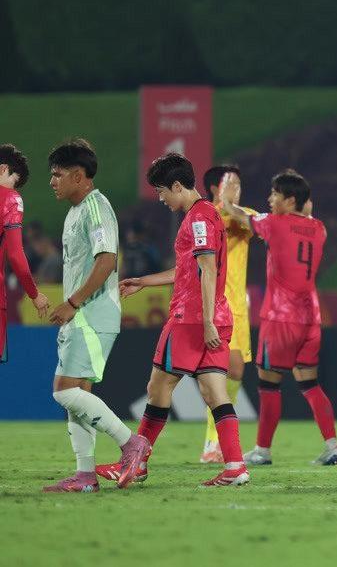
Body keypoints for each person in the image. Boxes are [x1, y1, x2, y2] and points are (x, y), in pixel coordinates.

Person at [95, 153, 249, 487]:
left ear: (178, 186)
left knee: (158, 387)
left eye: (163, 191)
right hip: (214, 317)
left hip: (191, 319)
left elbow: (208, 269)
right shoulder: (205, 215)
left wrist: (206, 321)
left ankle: (136, 462)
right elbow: (189, 269)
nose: (162, 199)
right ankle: (236, 465)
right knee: (214, 391)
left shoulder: (198, 217)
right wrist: (144, 281)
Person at [41, 139, 150, 492]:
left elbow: (107, 260)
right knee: (78, 397)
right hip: (83, 316)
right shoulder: (77, 210)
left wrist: (72, 303)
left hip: (91, 314)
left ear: (78, 176)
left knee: (64, 390)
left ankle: (131, 443)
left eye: (57, 175)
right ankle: (85, 475)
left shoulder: (95, 208)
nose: (52, 181)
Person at [220, 170, 337, 466]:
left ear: (289, 200)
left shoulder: (273, 224)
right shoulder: (320, 229)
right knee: (310, 384)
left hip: (280, 319)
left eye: (275, 194)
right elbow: (307, 214)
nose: (269, 199)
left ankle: (262, 450)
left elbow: (234, 214)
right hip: (310, 318)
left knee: (269, 386)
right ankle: (332, 446)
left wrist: (226, 195)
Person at [198, 165, 257, 463]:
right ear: (213, 188)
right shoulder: (204, 214)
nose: (236, 187)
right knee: (213, 373)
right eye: (229, 182)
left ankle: (217, 439)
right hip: (211, 303)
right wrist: (225, 204)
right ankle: (213, 442)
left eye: (238, 182)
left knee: (234, 371)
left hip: (237, 307)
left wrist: (232, 204)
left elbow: (254, 226)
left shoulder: (243, 212)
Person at [0, 143, 49, 363]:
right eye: (14, 182)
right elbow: (15, 255)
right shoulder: (10, 199)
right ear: (3, 169)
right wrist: (34, 294)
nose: (14, 189)